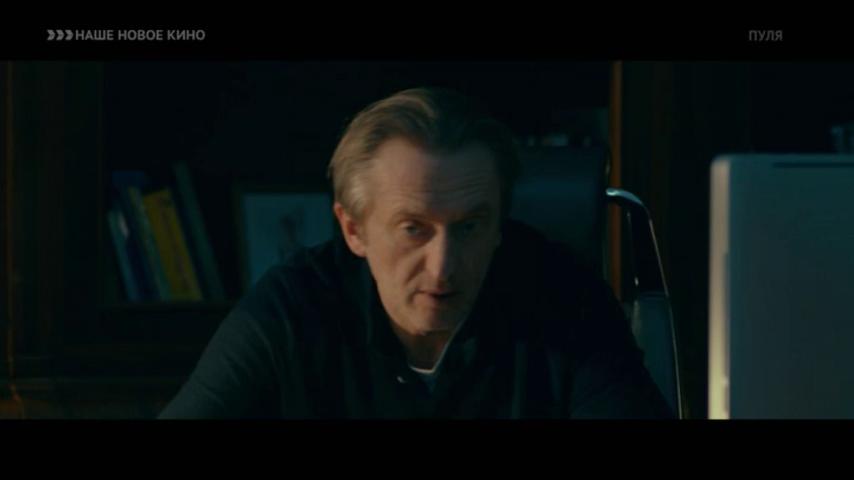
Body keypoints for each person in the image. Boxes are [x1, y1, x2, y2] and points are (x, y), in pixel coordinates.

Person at [159, 87, 674, 419]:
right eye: (413, 229)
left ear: (500, 224)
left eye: (469, 227)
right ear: (354, 230)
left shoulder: (568, 301)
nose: (443, 266)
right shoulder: (291, 310)